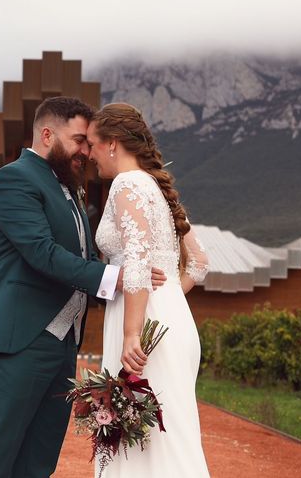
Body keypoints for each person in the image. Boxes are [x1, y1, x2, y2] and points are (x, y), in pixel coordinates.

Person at [0, 97, 167, 478]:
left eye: (89, 143)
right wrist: (117, 278)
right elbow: (42, 252)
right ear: (48, 134)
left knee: (39, 460)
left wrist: (130, 279)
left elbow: (79, 256)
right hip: (19, 340)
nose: (86, 151)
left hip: (63, 346)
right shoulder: (13, 178)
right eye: (79, 140)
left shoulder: (69, 189)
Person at [87, 102, 211, 477]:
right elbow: (200, 263)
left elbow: (138, 264)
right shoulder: (155, 187)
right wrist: (169, 293)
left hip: (142, 328)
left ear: (112, 143)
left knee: (144, 446)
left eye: (92, 144)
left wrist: (131, 332)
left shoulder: (127, 184)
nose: (89, 153)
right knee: (169, 439)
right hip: (169, 317)